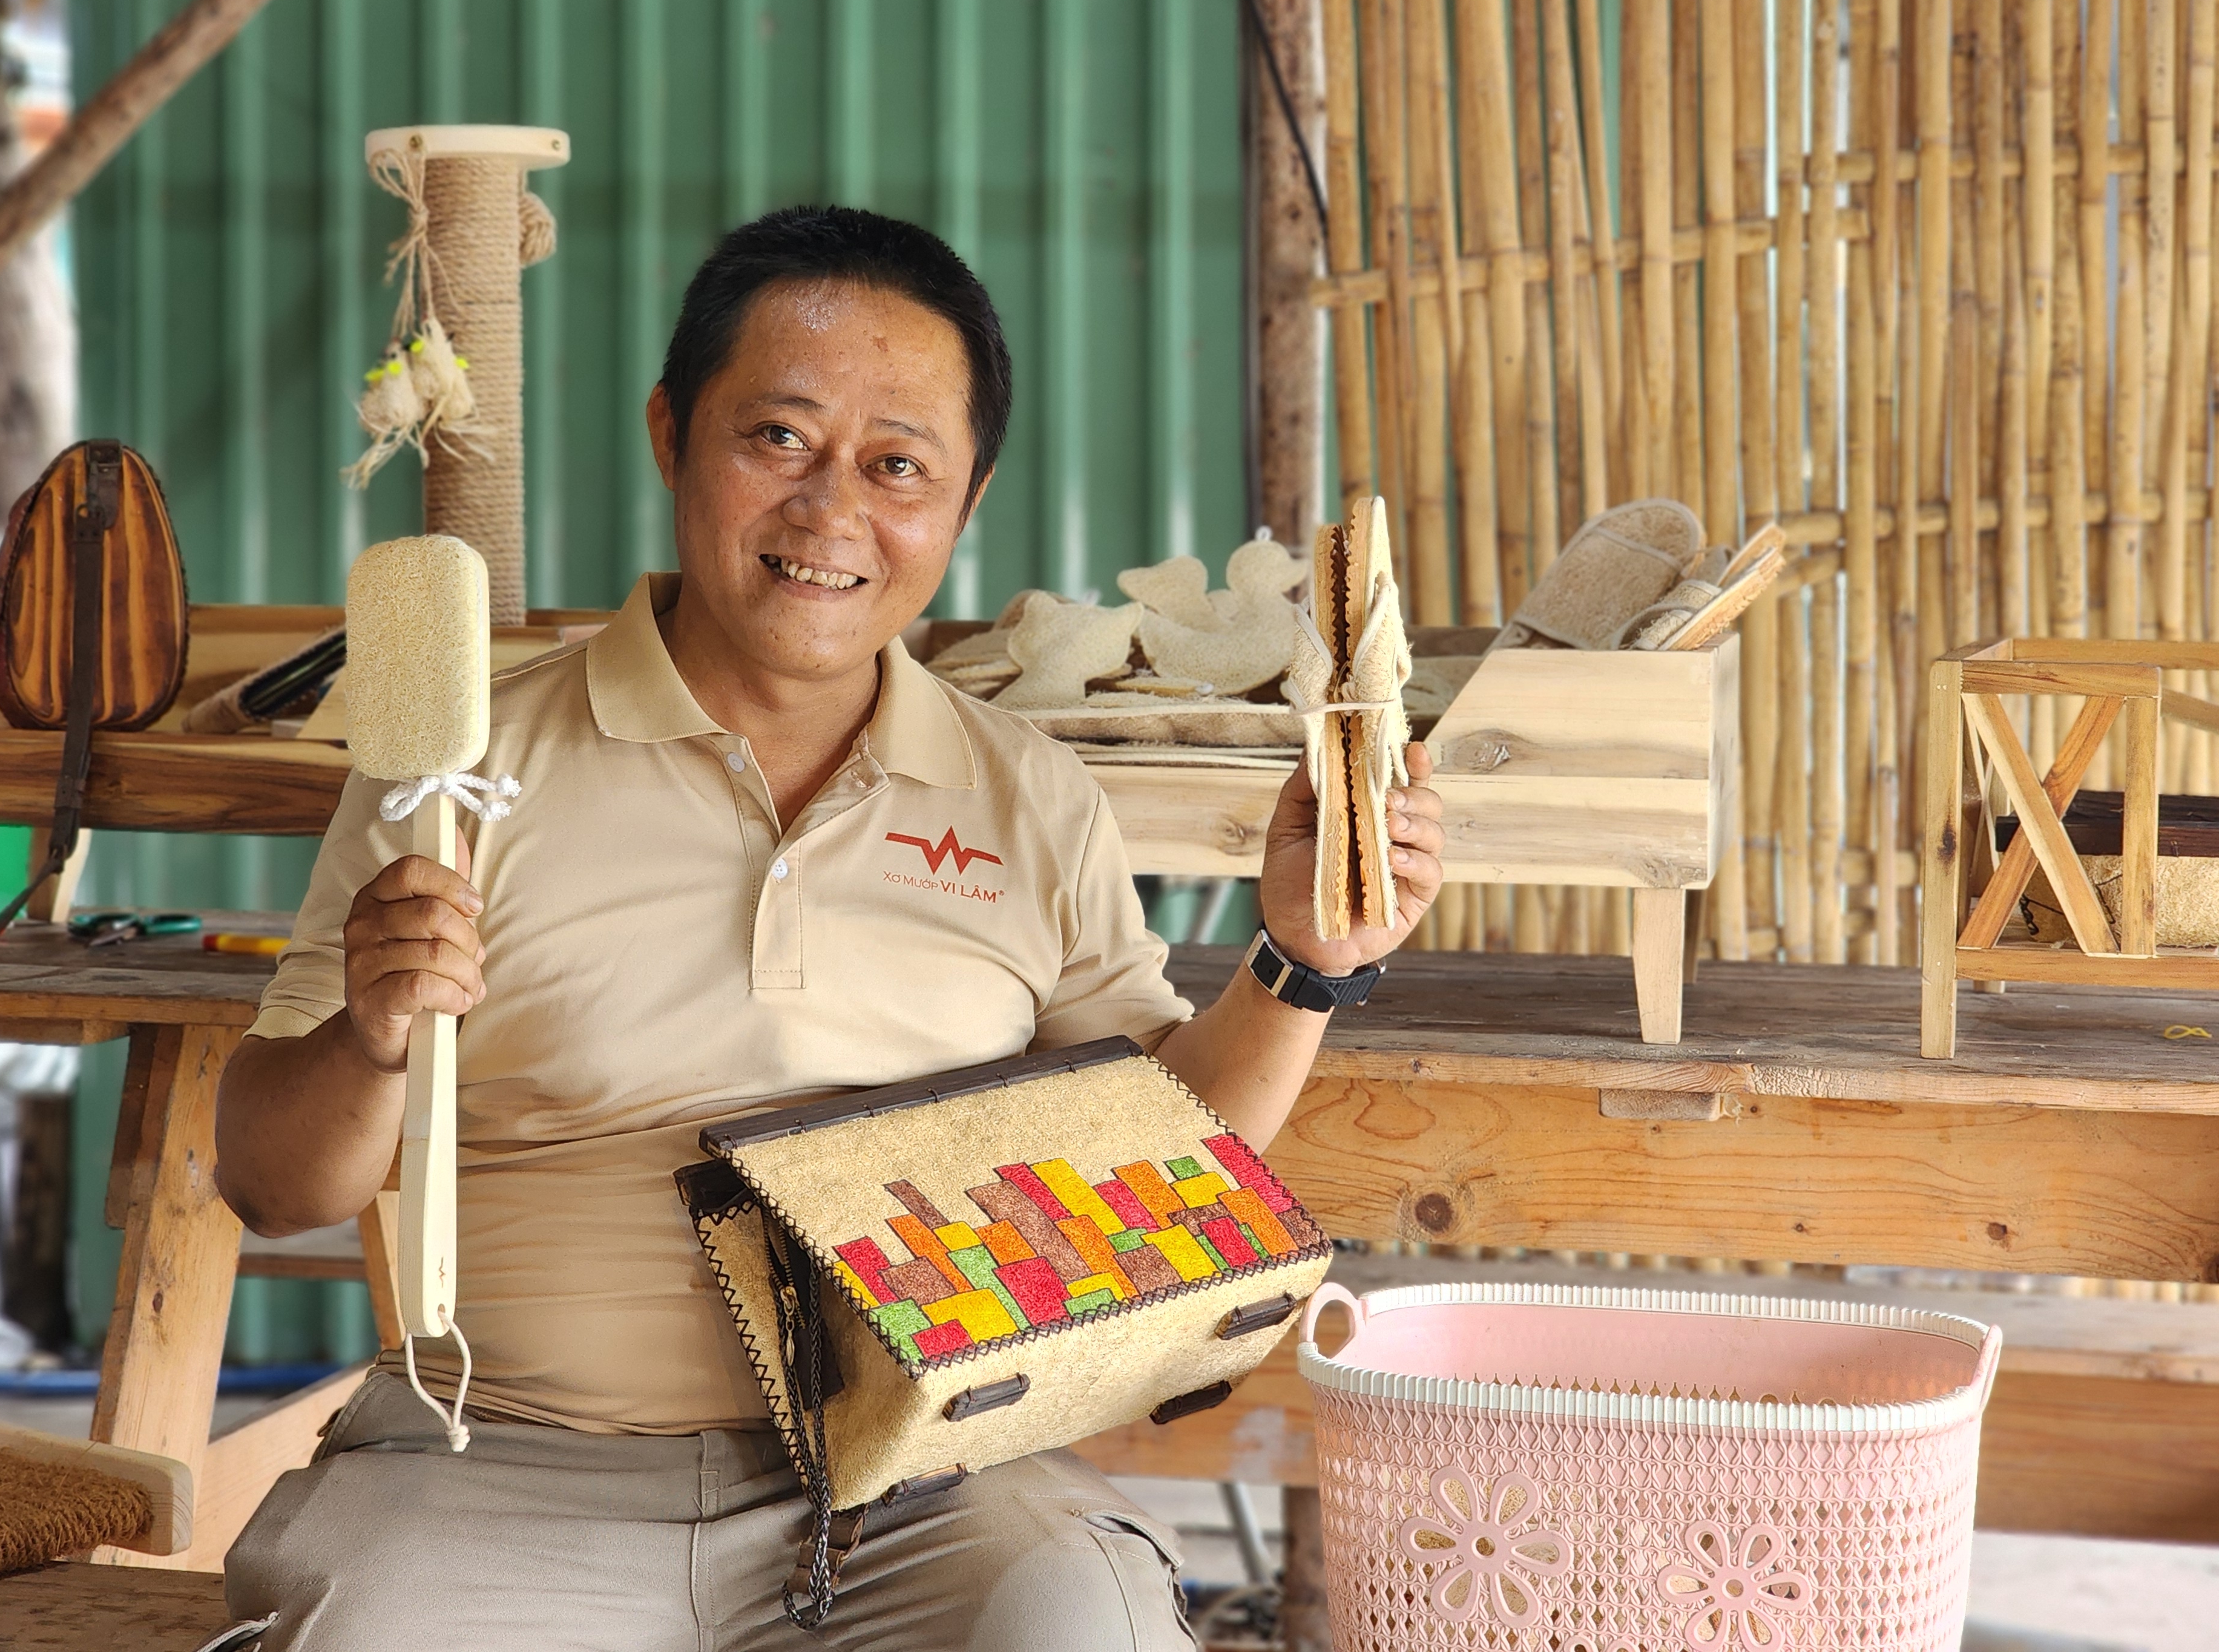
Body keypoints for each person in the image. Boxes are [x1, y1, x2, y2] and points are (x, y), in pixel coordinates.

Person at [214, 206, 1445, 1651]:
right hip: (507, 1471)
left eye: (897, 465)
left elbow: (1164, 1167)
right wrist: (368, 1040)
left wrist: (1303, 958)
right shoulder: (460, 777)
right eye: (777, 439)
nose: (829, 511)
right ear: (673, 437)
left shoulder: (1027, 797)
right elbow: (269, 1184)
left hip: (916, 1491)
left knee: (1076, 1618)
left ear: (966, 502)